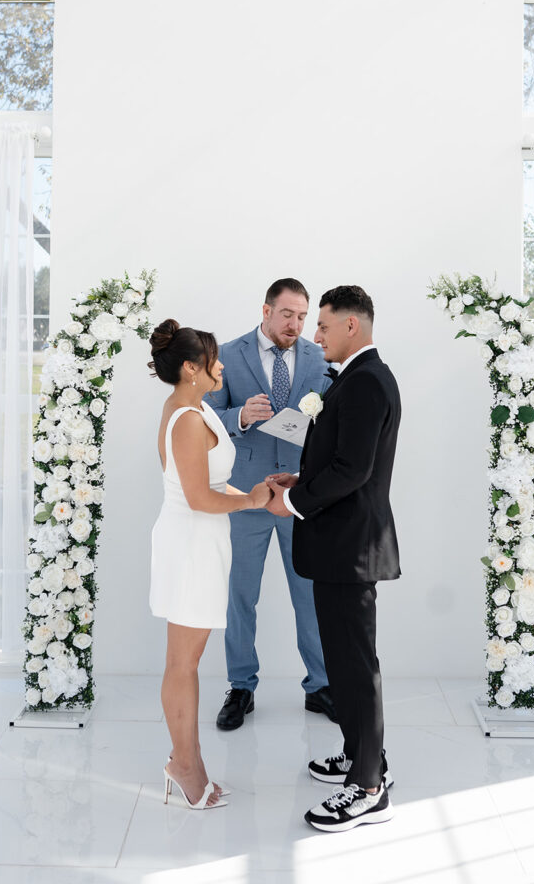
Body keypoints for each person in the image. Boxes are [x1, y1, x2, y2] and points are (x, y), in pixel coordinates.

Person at [266, 285, 401, 832]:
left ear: (352, 326)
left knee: (354, 665)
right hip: (338, 544)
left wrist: (293, 502)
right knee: (344, 663)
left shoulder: (367, 381)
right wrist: (302, 479)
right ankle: (360, 755)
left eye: (322, 326)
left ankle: (369, 788)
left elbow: (355, 471)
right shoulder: (357, 378)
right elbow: (340, 460)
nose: (313, 335)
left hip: (351, 548)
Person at [149, 319, 272, 810]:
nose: (221, 365)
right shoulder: (187, 418)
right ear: (190, 369)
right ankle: (184, 766)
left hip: (203, 543)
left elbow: (215, 489)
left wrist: (262, 497)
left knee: (189, 663)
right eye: (213, 359)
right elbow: (200, 498)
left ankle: (189, 764)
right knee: (183, 664)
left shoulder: (194, 408)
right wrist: (253, 502)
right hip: (190, 545)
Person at [205, 278, 337, 729]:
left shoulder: (320, 357)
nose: (296, 325)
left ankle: (320, 686)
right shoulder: (228, 353)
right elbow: (203, 419)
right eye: (287, 315)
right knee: (240, 596)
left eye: (303, 317)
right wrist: (240, 416)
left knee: (310, 595)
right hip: (246, 496)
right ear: (265, 311)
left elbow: (330, 421)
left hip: (301, 497)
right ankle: (241, 687)